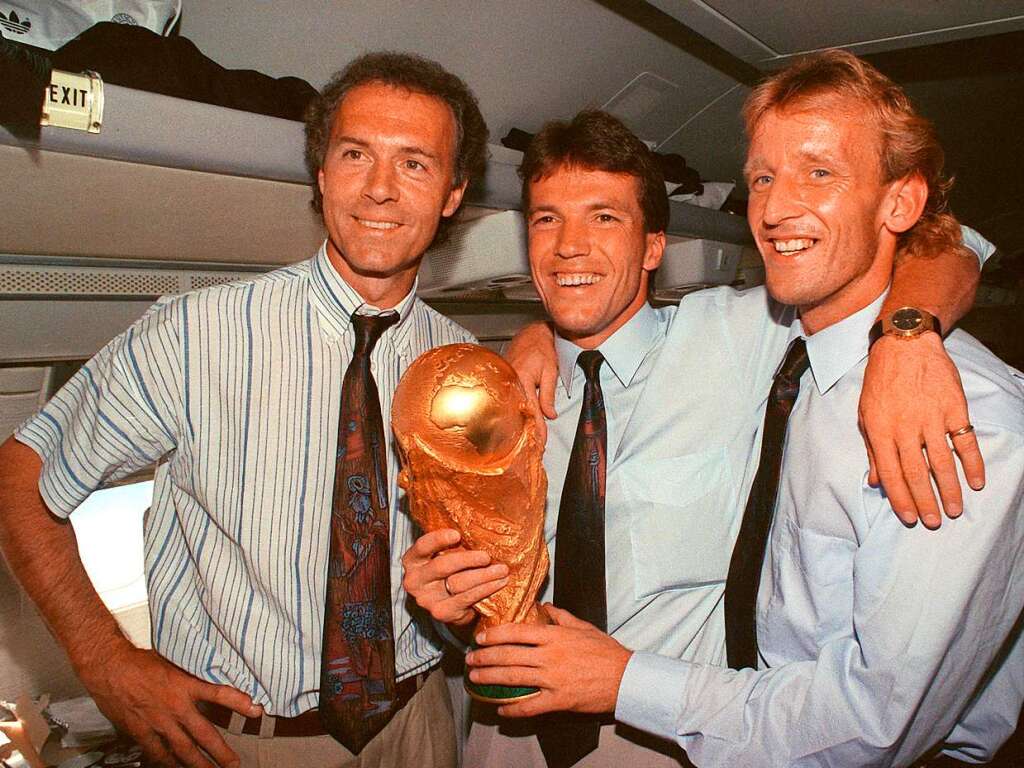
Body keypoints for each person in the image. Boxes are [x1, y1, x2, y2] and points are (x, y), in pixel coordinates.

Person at [465, 52, 1024, 766]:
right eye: (762, 177)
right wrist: (535, 334)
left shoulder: (951, 416)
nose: (775, 205)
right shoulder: (798, 355)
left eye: (819, 172)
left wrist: (909, 334)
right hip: (668, 725)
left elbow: (874, 722)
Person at [0, 51, 488, 768]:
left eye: (415, 163)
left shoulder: (469, 365)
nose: (380, 189)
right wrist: (105, 663)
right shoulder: (197, 333)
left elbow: (476, 569)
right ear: (322, 174)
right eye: (356, 155)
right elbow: (20, 474)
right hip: (241, 743)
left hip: (417, 727)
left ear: (452, 193)